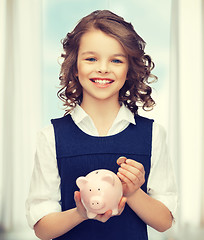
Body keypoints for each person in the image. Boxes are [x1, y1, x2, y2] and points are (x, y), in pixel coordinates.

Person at [26, 10, 177, 240]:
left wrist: (133, 192)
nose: (103, 68)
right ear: (75, 66)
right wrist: (81, 212)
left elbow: (164, 221)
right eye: (91, 58)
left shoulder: (153, 134)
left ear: (129, 70)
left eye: (116, 60)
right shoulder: (51, 137)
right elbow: (42, 229)